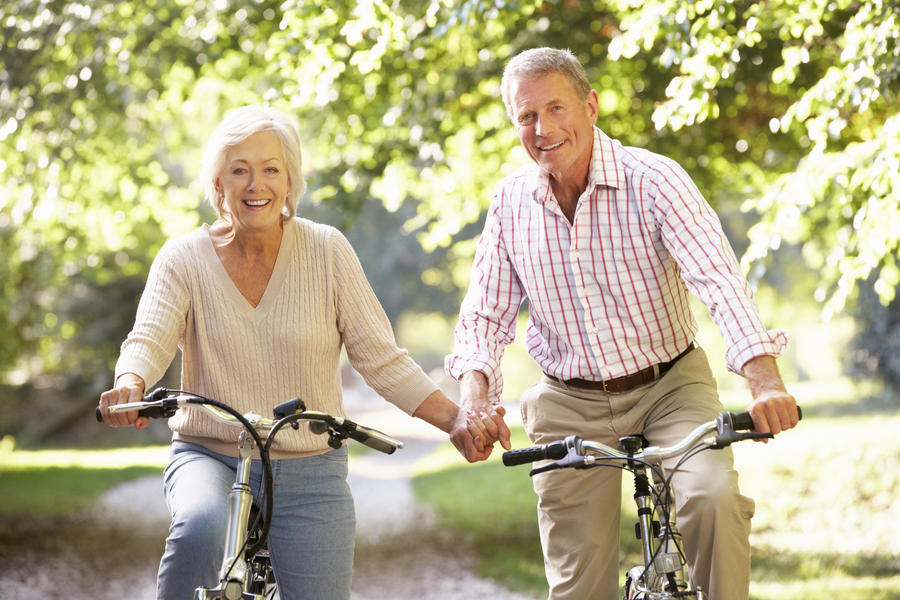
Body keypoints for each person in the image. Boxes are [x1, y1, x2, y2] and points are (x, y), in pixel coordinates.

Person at [446, 47, 800, 600]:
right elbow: (484, 317)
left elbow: (719, 282)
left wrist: (765, 381)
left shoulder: (655, 180)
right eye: (526, 116)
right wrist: (474, 399)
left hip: (670, 387)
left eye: (556, 108)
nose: (542, 129)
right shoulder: (511, 203)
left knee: (712, 500)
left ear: (590, 106)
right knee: (578, 583)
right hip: (568, 401)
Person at [98, 105, 486, 600]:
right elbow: (148, 339)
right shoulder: (183, 259)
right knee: (199, 529)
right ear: (218, 184)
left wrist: (455, 420)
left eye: (270, 169)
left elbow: (380, 360)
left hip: (310, 465)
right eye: (238, 170)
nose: (254, 184)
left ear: (289, 182)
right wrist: (131, 383)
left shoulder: (327, 252)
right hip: (211, 454)